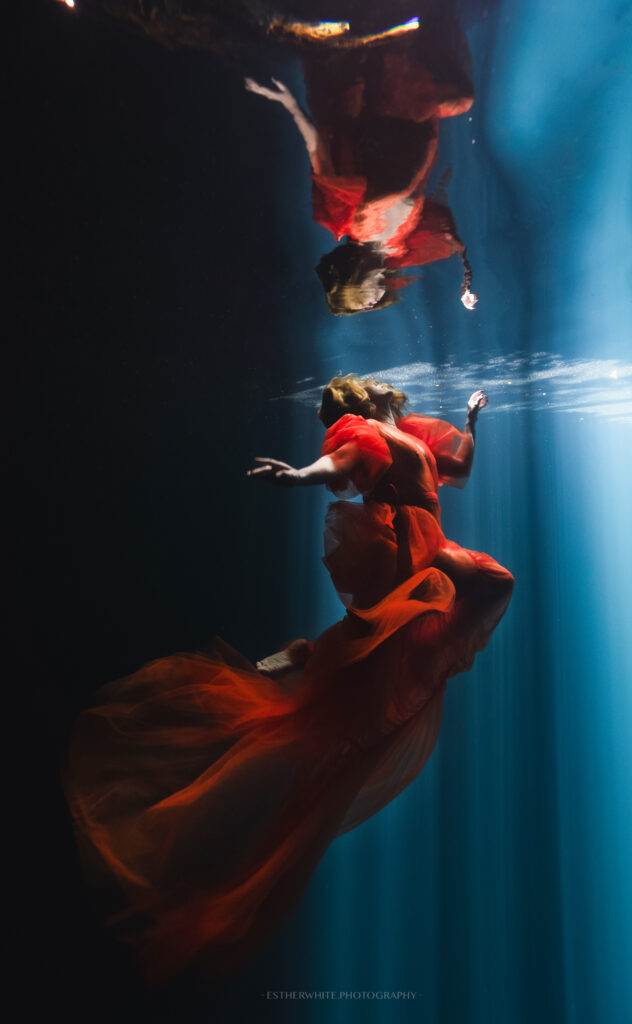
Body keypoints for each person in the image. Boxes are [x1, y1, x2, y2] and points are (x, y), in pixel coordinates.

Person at [61, 375, 513, 984]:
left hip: (424, 549)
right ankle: (311, 656)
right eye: (373, 383)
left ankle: (308, 657)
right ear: (360, 397)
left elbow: (456, 468)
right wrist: (297, 476)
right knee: (469, 595)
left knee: (392, 661)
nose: (386, 383)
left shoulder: (405, 431)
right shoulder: (363, 432)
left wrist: (472, 420)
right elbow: (337, 462)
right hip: (415, 552)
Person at [245, 6, 479, 315]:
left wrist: (289, 104)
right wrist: (466, 282)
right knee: (459, 94)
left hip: (390, 109)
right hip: (418, 119)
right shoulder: (398, 245)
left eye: (365, 301)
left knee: (453, 89)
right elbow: (451, 240)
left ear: (353, 279)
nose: (373, 302)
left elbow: (319, 152)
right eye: (371, 304)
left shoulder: (348, 218)